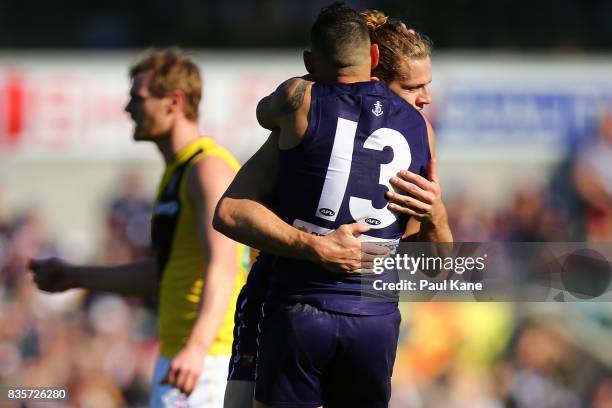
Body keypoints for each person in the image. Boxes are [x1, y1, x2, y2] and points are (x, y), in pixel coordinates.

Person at [215, 4, 451, 407]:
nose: (426, 99)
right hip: (337, 311)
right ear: (374, 68)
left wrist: (437, 216)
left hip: (307, 308)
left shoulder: (302, 107)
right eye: (414, 88)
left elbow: (431, 270)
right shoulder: (415, 133)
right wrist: (327, 248)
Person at [29, 48, 247, 408]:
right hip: (181, 355)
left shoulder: (208, 169)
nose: (128, 109)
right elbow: (161, 274)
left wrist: (196, 349)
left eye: (138, 98)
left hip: (208, 358)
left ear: (173, 101)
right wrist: (75, 276)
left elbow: (223, 265)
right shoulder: (176, 172)